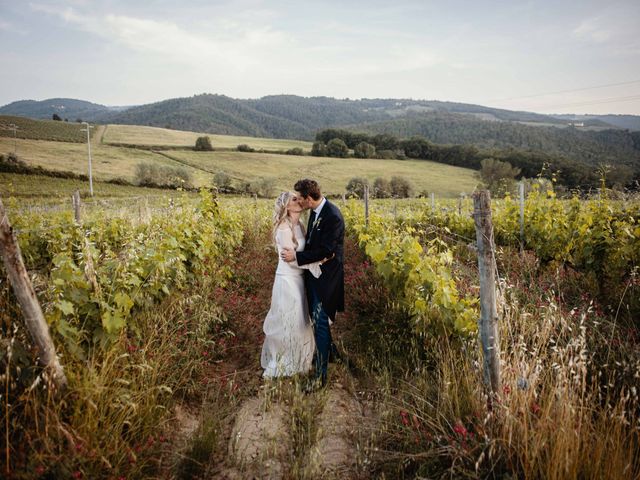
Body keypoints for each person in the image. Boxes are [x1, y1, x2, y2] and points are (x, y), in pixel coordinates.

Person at [281, 179, 345, 389]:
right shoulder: (315, 213)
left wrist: (297, 258)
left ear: (309, 198)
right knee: (319, 319)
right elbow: (312, 244)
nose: (298, 201)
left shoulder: (333, 216)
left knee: (319, 322)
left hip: (326, 279)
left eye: (300, 198)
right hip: (313, 275)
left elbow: (327, 250)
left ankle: (320, 376)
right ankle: (332, 352)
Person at [261, 191, 324, 378]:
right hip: (287, 279)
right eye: (294, 200)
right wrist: (317, 263)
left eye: (299, 198)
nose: (299, 201)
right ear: (287, 206)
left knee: (301, 320)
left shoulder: (301, 226)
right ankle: (286, 360)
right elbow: (290, 259)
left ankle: (300, 359)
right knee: (289, 320)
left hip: (299, 278)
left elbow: (301, 253)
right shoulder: (283, 228)